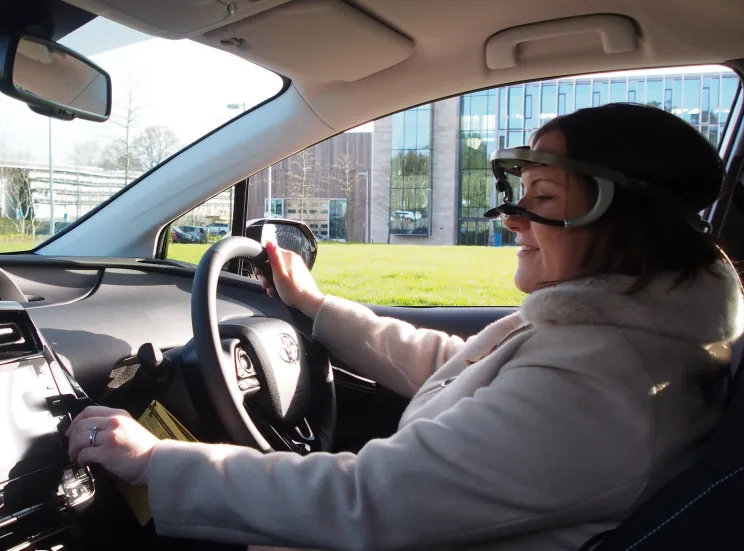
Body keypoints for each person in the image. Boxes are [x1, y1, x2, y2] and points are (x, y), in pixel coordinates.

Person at [65, 103, 744, 551]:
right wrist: (316, 308)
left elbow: (367, 501)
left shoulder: (601, 383)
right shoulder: (615, 335)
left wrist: (158, 462)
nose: (512, 219)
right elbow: (459, 364)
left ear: (623, 224)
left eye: (541, 200)